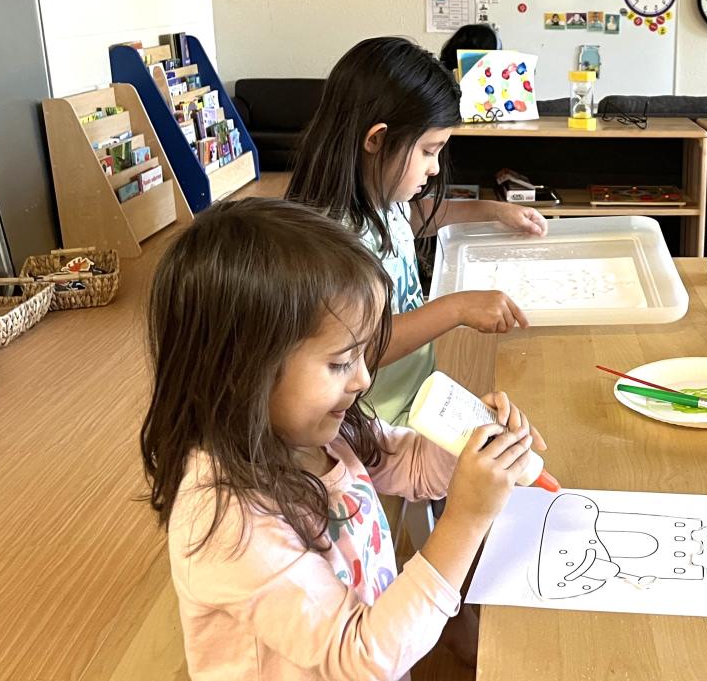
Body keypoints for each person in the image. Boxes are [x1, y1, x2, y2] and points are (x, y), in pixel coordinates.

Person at [140, 197, 546, 679]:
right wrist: (465, 521)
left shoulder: (319, 432)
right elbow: (360, 655)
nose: (362, 380)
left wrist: (471, 446)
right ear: (242, 371)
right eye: (340, 362)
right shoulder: (226, 518)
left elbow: (414, 466)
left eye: (362, 357)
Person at [287, 36, 546, 428]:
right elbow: (363, 347)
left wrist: (493, 211)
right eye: (428, 150)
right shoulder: (332, 242)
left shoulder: (380, 196)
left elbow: (416, 216)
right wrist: (457, 308)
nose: (435, 168)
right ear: (376, 139)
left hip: (417, 395)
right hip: (374, 423)